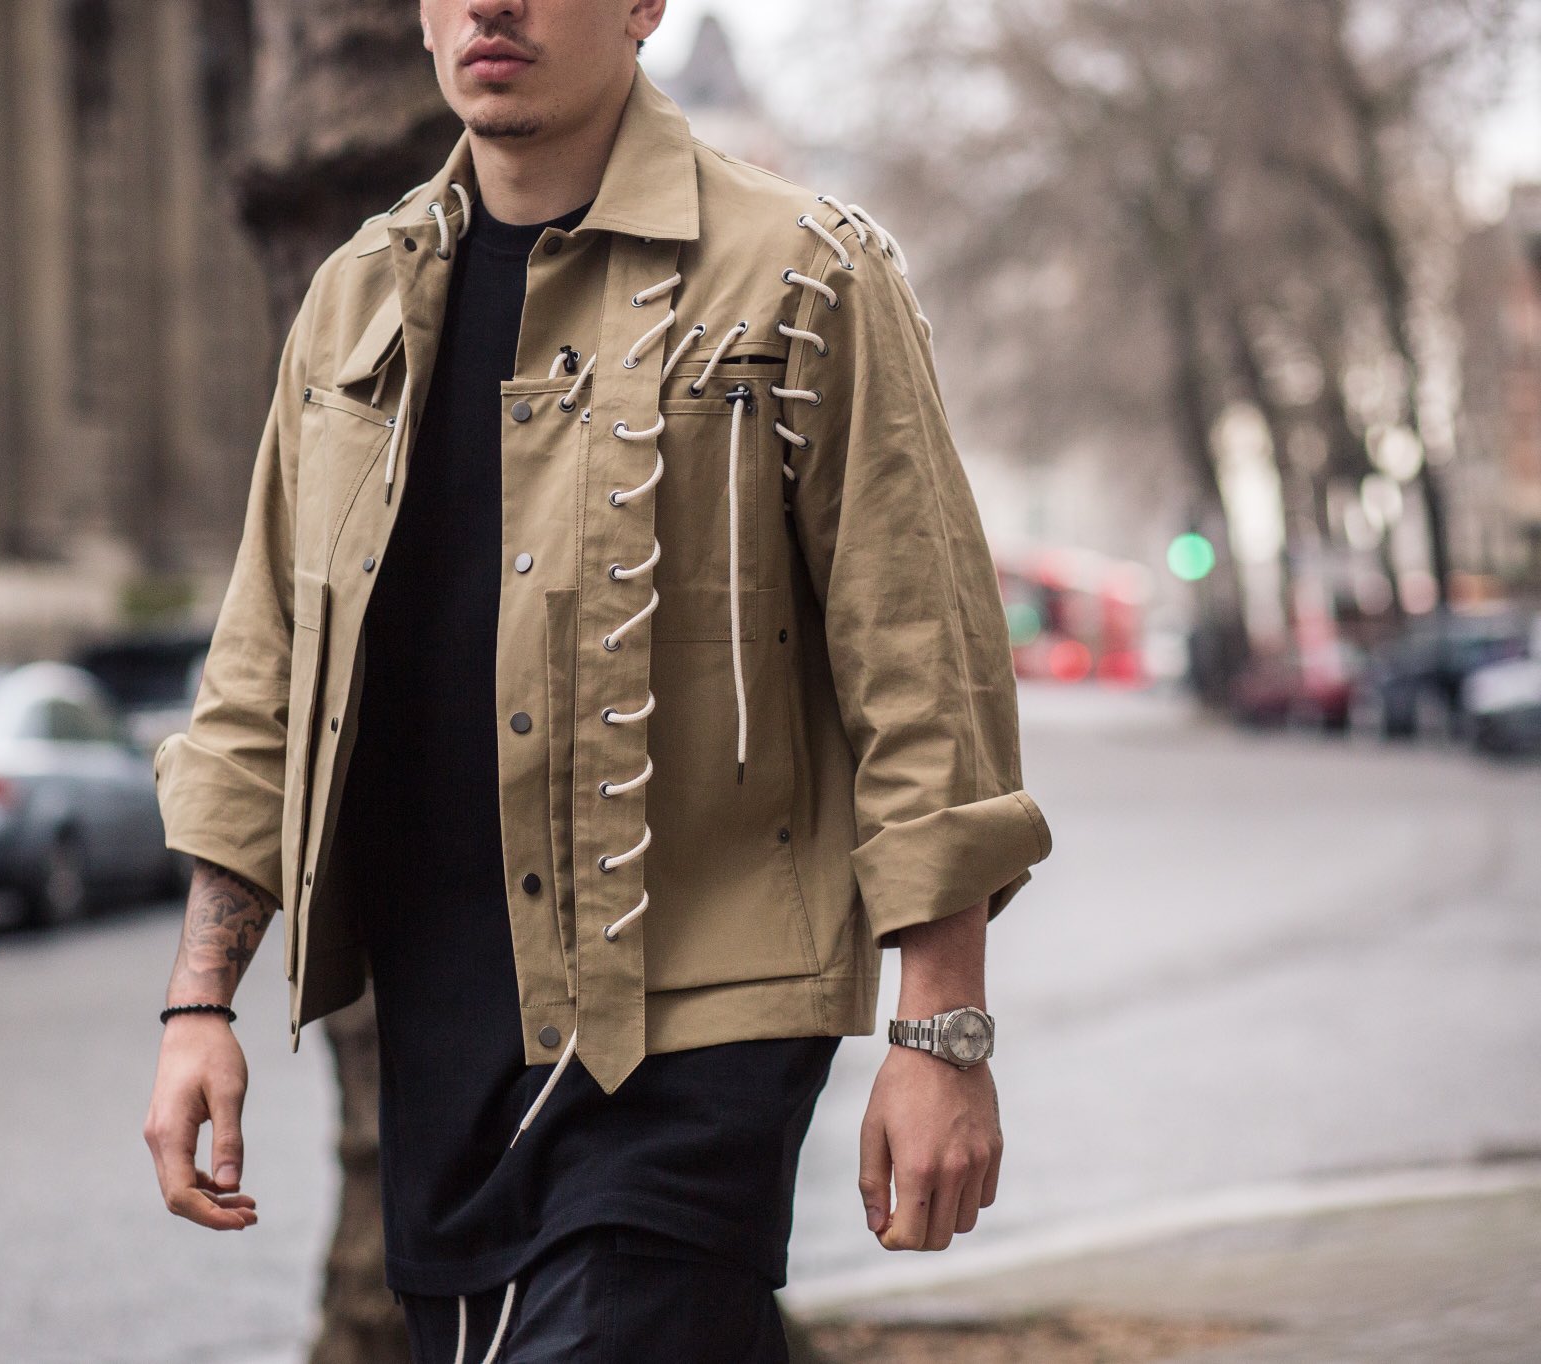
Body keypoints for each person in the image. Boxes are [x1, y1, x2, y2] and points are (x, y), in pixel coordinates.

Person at [144, 2, 1053, 1360]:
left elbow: (923, 671)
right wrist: (198, 1003)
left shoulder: (806, 277)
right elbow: (264, 669)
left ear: (645, 6)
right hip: (442, 1044)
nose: (491, 6)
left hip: (696, 1035)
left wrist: (945, 1033)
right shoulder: (355, 299)